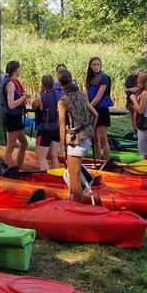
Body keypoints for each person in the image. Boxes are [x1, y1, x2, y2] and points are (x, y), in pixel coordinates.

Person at [57, 71, 97, 202]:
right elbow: (95, 115)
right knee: (77, 173)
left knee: (74, 178)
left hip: (75, 142)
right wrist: (90, 129)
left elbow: (62, 127)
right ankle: (77, 200)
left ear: (60, 84)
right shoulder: (82, 95)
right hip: (86, 139)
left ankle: (78, 206)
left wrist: (62, 147)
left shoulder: (63, 101)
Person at [1, 61, 30, 169]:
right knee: (11, 146)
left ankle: (19, 168)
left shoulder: (12, 82)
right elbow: (11, 105)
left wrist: (23, 97)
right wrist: (23, 97)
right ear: (16, 70)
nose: (20, 70)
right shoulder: (10, 84)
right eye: (19, 69)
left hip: (16, 118)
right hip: (11, 118)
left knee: (24, 143)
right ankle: (9, 170)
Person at [86, 57, 113, 163]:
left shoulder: (104, 77)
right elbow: (86, 94)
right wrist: (87, 105)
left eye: (98, 64)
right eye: (94, 64)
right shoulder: (89, 78)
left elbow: (98, 97)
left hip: (101, 109)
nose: (97, 66)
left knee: (103, 138)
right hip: (92, 109)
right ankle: (97, 162)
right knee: (94, 138)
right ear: (90, 66)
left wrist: (88, 107)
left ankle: (106, 162)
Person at [32, 75, 61, 171]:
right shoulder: (59, 96)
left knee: (42, 158)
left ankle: (46, 176)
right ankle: (56, 177)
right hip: (56, 128)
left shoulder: (40, 98)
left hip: (44, 130)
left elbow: (33, 106)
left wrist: (39, 93)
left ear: (42, 85)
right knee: (54, 156)